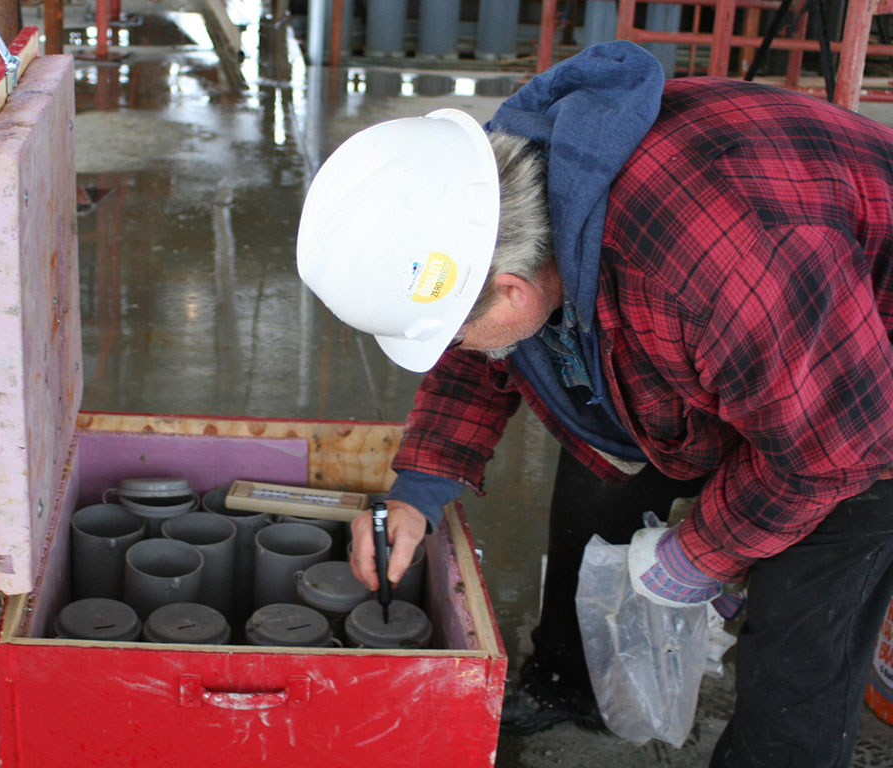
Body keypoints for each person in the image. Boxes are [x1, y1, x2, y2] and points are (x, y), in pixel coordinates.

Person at [296, 41, 893, 767]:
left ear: (513, 291)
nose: (461, 346)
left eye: (457, 329)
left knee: (801, 626)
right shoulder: (498, 206)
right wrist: (418, 492)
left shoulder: (713, 257)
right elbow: (478, 353)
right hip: (760, 335)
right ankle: (567, 683)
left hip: (861, 393)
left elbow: (832, 450)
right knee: (600, 476)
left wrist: (703, 552)